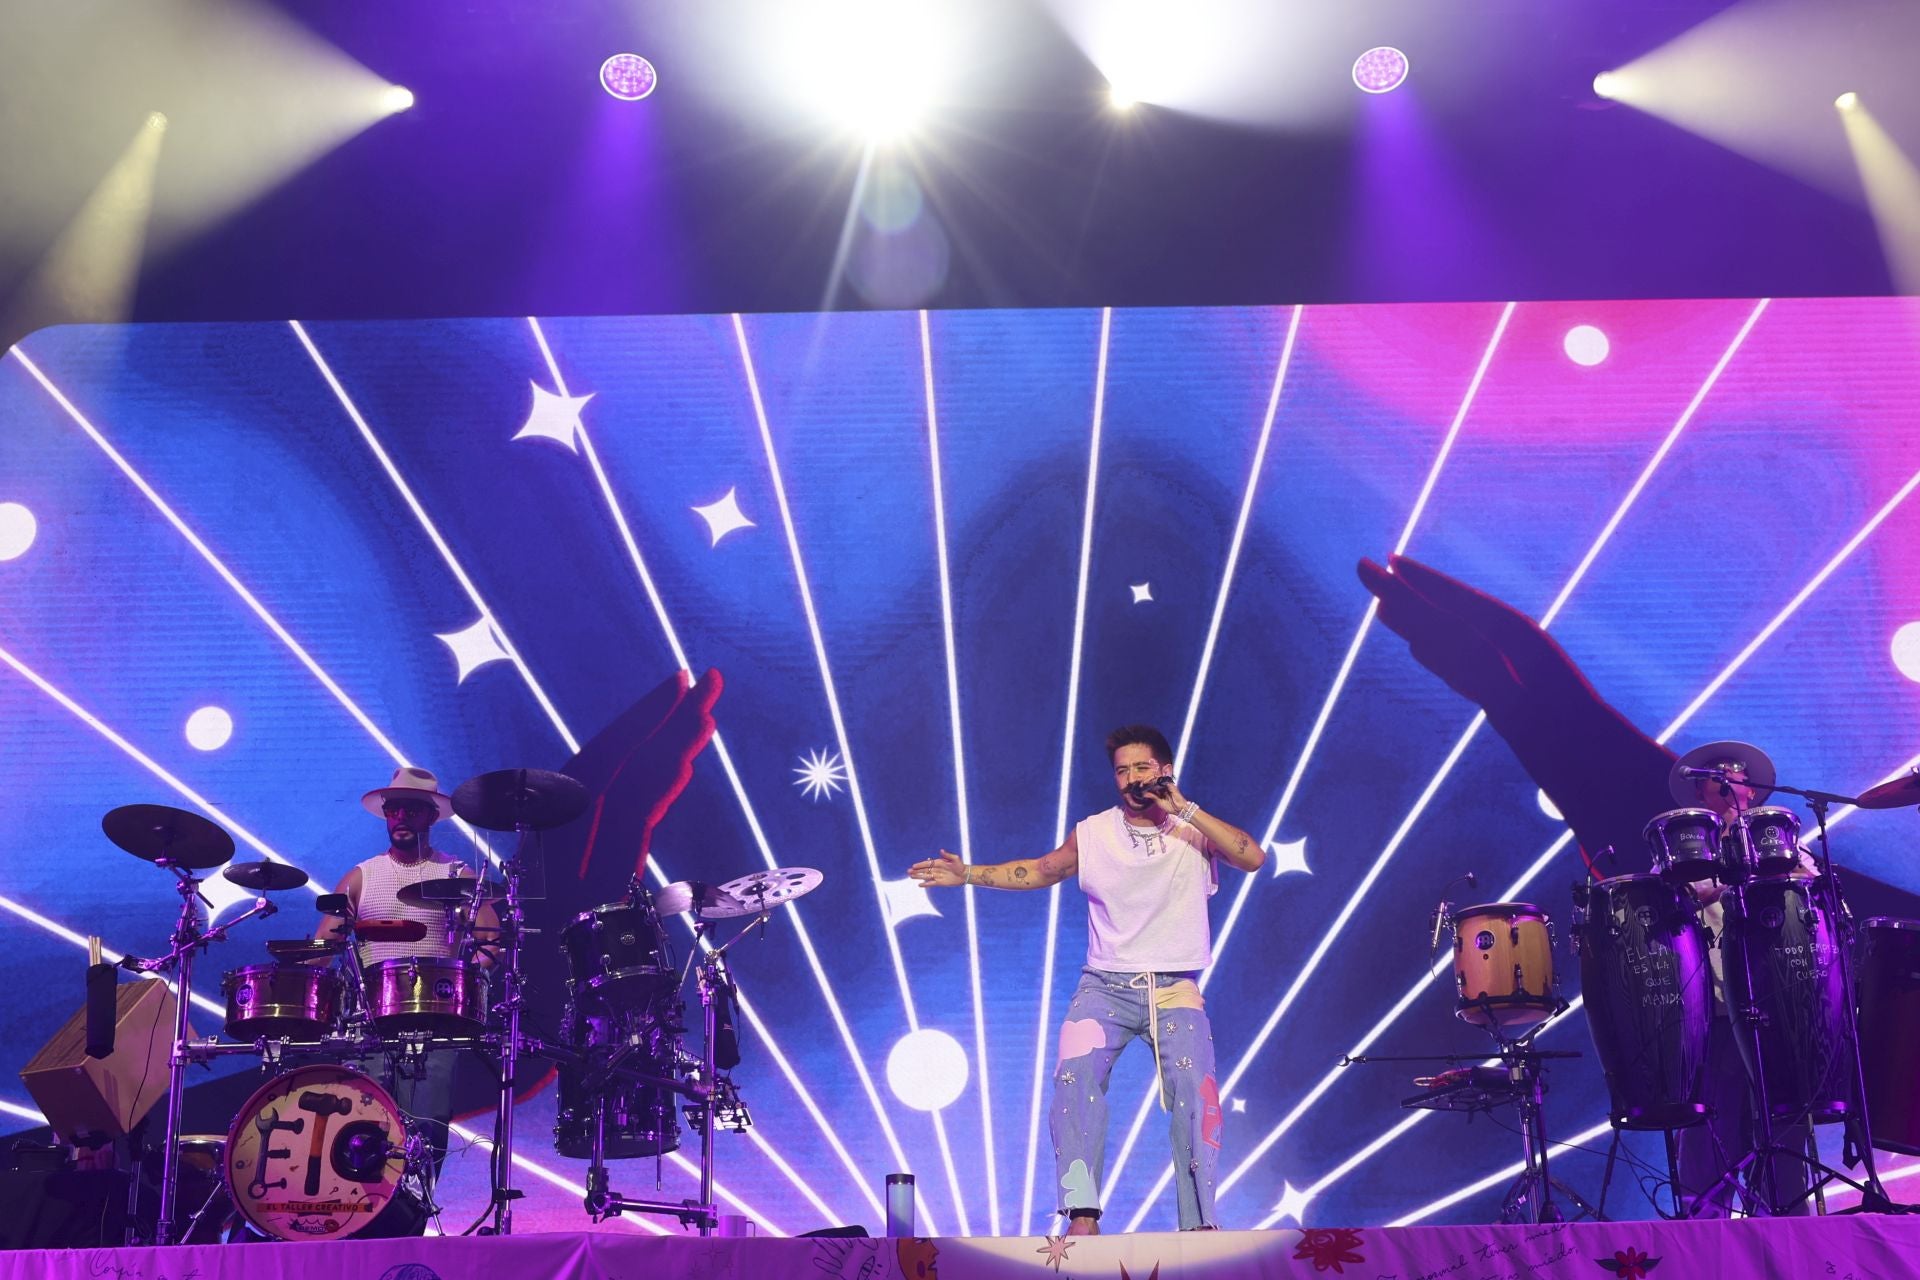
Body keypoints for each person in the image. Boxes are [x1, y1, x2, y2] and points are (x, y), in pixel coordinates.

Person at [908, 725, 1265, 1234]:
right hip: (1104, 986)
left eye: (1141, 768)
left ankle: (1200, 1223)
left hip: (1174, 986)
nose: (1130, 779)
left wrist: (1184, 808)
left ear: (1164, 771)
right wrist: (966, 873)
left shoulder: (1194, 830)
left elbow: (1252, 857)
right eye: (1121, 770)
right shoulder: (1094, 831)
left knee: (1195, 1091)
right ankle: (1081, 1214)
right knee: (1073, 1083)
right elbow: (1040, 869)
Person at [315, 766, 498, 1184]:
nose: (401, 818)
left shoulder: (456, 876)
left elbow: (491, 942)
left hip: (432, 1021)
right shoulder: (362, 877)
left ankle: (416, 1216)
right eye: (395, 809)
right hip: (370, 1022)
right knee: (362, 1129)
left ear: (431, 817)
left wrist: (467, 982)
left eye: (412, 810)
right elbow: (322, 950)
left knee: (425, 1130)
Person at [1670, 749, 1816, 1218]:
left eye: (1738, 778)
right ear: (1701, 792)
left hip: (1781, 1012)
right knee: (1710, 1138)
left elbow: (1813, 892)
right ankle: (1700, 1244)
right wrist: (1726, 881)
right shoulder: (1682, 851)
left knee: (1785, 1137)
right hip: (1714, 1016)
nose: (1731, 784)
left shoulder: (1781, 841)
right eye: (1718, 778)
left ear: (1751, 790)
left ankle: (1793, 1237)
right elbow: (1666, 906)